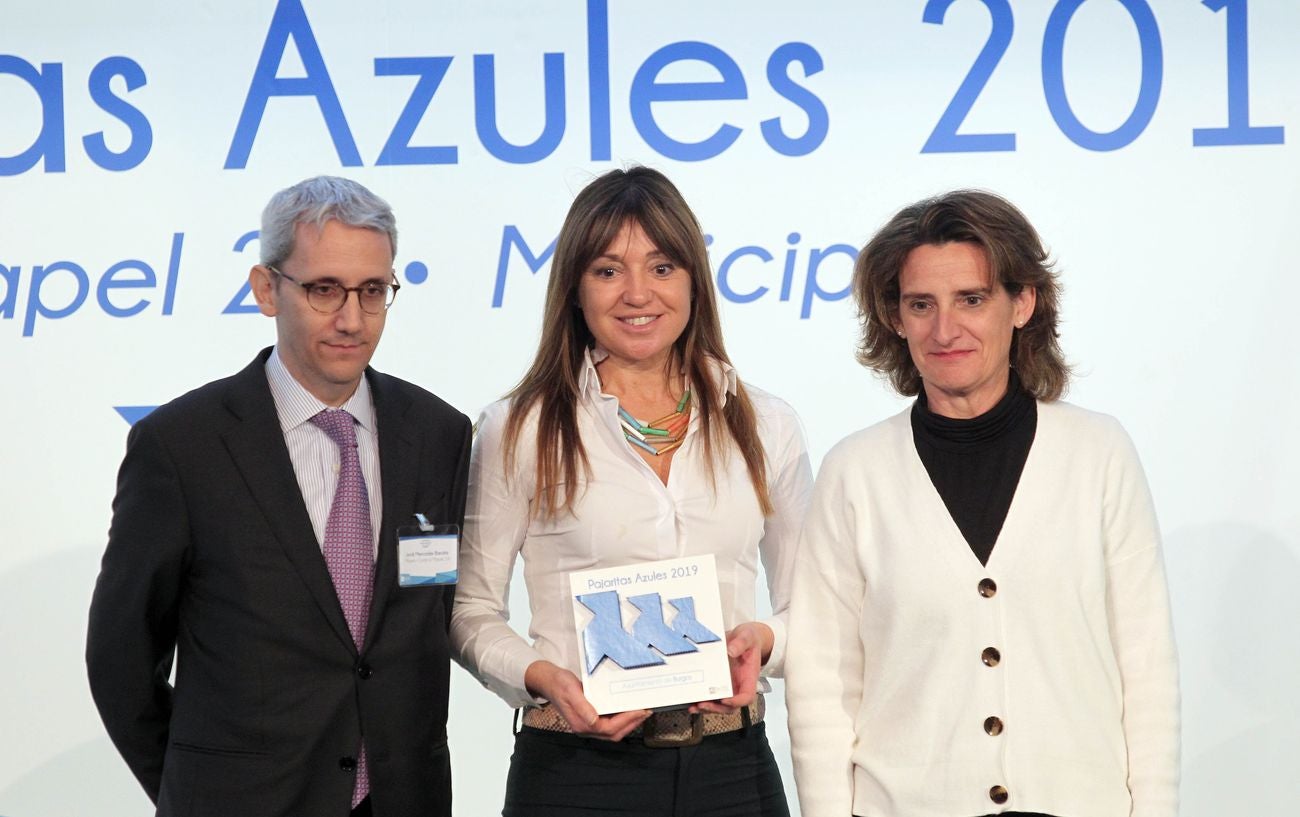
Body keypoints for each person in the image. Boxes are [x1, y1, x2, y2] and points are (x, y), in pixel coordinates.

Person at [785, 190, 1179, 817]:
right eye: (921, 304)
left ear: (1022, 304)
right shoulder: (855, 471)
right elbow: (822, 682)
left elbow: (1146, 662)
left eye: (971, 299)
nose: (945, 330)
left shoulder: (1098, 452)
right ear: (895, 318)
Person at [86, 176, 471, 817]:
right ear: (267, 289)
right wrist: (196, 791)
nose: (352, 319)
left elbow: (433, 615)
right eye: (324, 289)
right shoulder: (182, 446)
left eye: (372, 291)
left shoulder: (439, 434)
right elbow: (120, 659)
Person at [451, 166, 812, 817]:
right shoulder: (519, 428)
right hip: (575, 776)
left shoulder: (767, 422)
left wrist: (763, 640)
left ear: (694, 280)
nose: (638, 293)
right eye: (608, 270)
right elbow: (469, 609)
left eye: (662, 267)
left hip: (732, 772)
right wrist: (540, 677)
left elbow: (814, 607)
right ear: (575, 288)